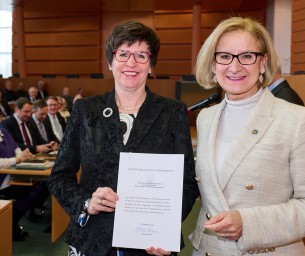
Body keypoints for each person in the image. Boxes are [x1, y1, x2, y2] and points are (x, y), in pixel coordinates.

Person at [47, 21, 199, 256]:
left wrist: (164, 228)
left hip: (150, 246)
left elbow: (187, 183)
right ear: (110, 62)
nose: (131, 62)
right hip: (92, 239)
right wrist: (86, 203)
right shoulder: (86, 110)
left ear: (151, 65)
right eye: (123, 53)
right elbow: (59, 177)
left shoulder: (174, 112)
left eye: (141, 54)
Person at [189, 17, 305, 255]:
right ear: (213, 64)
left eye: (247, 56)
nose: (234, 67)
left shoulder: (296, 120)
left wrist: (248, 222)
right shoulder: (206, 118)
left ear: (263, 62)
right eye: (224, 56)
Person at [0, 128, 49, 241]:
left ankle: (11, 222)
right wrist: (17, 159)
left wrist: (23, 156)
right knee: (30, 191)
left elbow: (16, 148)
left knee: (39, 186)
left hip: (13, 175)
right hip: (3, 181)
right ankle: (10, 224)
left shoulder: (4, 131)